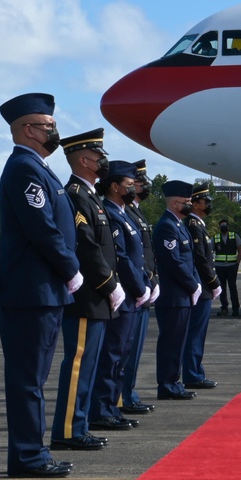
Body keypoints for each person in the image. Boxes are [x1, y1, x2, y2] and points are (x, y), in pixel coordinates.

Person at [0, 92, 82, 478]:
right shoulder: (23, 169)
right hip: (31, 292)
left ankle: (32, 453)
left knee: (34, 379)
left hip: (43, 292)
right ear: (28, 130)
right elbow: (43, 230)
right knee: (28, 381)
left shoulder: (38, 168)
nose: (54, 131)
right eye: (48, 126)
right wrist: (71, 268)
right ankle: (29, 456)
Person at [51, 129, 125, 452]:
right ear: (83, 160)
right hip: (87, 298)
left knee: (89, 367)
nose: (102, 161)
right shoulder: (75, 194)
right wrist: (110, 285)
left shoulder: (91, 195)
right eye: (98, 156)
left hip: (96, 298)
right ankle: (67, 430)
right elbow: (88, 249)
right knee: (78, 364)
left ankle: (78, 425)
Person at [90, 161, 150, 432]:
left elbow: (138, 257)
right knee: (112, 355)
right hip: (123, 296)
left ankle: (111, 407)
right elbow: (123, 259)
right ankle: (101, 409)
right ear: (115, 187)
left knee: (121, 355)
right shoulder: (112, 214)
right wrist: (139, 288)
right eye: (128, 186)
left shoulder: (124, 213)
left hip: (131, 297)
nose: (133, 189)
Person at [153, 180, 202, 400]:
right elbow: (173, 262)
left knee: (178, 342)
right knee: (171, 343)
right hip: (173, 296)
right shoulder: (167, 226)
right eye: (187, 202)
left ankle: (174, 382)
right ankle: (167, 385)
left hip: (181, 296)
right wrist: (193, 285)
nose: (190, 205)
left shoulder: (178, 225)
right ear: (175, 203)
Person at [120, 159, 159, 414]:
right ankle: (122, 396)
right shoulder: (123, 211)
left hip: (143, 286)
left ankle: (128, 393)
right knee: (125, 350)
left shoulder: (135, 211)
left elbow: (146, 252)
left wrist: (153, 280)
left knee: (134, 351)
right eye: (138, 183)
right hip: (132, 290)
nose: (141, 188)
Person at [182, 183, 222, 389]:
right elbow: (200, 258)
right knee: (195, 333)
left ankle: (195, 371)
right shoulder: (193, 225)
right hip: (201, 287)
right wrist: (213, 281)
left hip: (204, 287)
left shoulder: (199, 224)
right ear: (196, 204)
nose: (208, 205)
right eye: (205, 202)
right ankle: (192, 374)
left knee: (198, 333)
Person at [214, 218, 241, 317]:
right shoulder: (216, 238)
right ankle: (224, 308)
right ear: (219, 227)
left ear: (228, 226)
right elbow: (208, 250)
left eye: (224, 225)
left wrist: (237, 263)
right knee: (221, 288)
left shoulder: (234, 236)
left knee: (232, 287)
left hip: (232, 266)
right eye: (221, 225)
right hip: (219, 266)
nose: (223, 227)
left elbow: (240, 250)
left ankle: (235, 309)